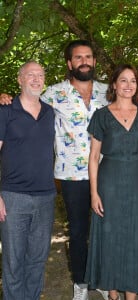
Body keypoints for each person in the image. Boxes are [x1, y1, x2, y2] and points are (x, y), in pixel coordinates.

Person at [0, 40, 109, 300]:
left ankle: (104, 280)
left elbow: (134, 96)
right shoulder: (49, 97)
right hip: (63, 179)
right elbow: (21, 100)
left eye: (88, 56)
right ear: (70, 64)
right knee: (74, 233)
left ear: (94, 61)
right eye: (78, 57)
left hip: (100, 175)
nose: (84, 61)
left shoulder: (107, 92)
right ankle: (79, 284)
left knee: (104, 232)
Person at [84, 64, 138, 300]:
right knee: (110, 237)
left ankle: (131, 295)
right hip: (109, 183)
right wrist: (94, 193)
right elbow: (94, 157)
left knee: (136, 237)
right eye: (123, 80)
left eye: (133, 81)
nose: (128, 85)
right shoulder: (101, 115)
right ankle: (113, 293)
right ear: (114, 85)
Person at [0, 61, 56, 299]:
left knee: (37, 259)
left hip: (46, 196)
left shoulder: (50, 111)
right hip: (13, 197)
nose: (36, 78)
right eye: (30, 74)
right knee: (13, 261)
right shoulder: (5, 110)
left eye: (40, 74)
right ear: (20, 80)